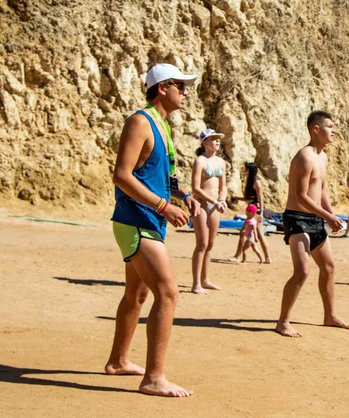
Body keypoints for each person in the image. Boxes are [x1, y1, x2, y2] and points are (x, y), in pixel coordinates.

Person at [106, 63, 201, 397]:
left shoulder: (162, 126)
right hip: (135, 219)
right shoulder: (140, 121)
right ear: (162, 88)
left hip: (149, 220)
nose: (186, 92)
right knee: (169, 292)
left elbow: (158, 177)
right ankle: (154, 377)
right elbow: (122, 175)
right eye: (181, 86)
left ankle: (118, 360)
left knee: (138, 293)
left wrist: (183, 196)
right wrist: (164, 206)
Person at [275, 110, 349, 338]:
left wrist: (330, 213)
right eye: (330, 126)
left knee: (328, 268)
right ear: (315, 130)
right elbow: (300, 196)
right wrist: (327, 217)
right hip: (297, 219)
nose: (334, 130)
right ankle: (282, 322)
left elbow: (322, 189)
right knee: (302, 271)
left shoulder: (323, 157)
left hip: (316, 218)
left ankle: (329, 315)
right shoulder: (304, 157)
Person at [191, 128, 228, 294]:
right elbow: (196, 188)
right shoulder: (200, 161)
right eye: (213, 139)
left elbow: (223, 186)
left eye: (217, 139)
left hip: (214, 205)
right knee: (202, 244)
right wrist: (214, 201)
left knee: (211, 244)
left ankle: (205, 279)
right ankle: (196, 283)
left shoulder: (221, 162)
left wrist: (221, 200)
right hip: (201, 204)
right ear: (205, 142)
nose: (217, 141)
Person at [228, 162, 272, 263]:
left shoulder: (257, 182)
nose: (245, 172)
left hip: (255, 212)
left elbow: (260, 198)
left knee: (243, 232)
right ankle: (268, 258)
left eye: (246, 170)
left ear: (250, 171)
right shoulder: (250, 181)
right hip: (252, 210)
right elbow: (250, 198)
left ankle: (237, 256)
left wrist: (261, 213)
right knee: (260, 234)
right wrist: (238, 198)